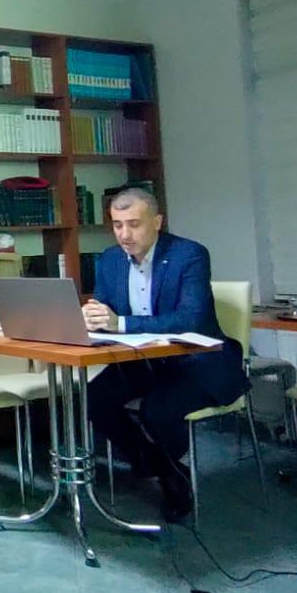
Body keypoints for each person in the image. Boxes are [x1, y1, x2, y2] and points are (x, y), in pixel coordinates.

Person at [83, 187, 245, 522]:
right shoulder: (109, 260)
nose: (124, 235)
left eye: (134, 224)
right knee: (94, 399)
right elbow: (104, 308)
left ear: (157, 222)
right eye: (117, 225)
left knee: (158, 410)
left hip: (197, 361)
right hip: (142, 360)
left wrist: (120, 323)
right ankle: (150, 460)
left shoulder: (189, 255)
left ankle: (173, 479)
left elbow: (190, 318)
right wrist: (93, 318)